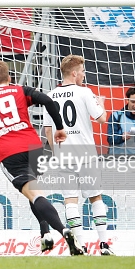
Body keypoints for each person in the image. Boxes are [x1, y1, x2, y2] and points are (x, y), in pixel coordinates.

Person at [0, 60, 82, 256]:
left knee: (34, 195)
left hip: (9, 152)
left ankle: (64, 231)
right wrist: (60, 128)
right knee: (35, 192)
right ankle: (45, 235)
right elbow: (48, 101)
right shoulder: (19, 90)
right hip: (33, 147)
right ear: (9, 78)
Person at [43, 55, 113, 255]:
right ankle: (104, 244)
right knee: (95, 197)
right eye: (82, 71)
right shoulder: (85, 92)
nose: (83, 74)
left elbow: (48, 131)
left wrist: (57, 153)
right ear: (74, 73)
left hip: (64, 155)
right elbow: (101, 118)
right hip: (86, 154)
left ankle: (79, 245)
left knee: (70, 201)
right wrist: (101, 103)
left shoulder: (50, 95)